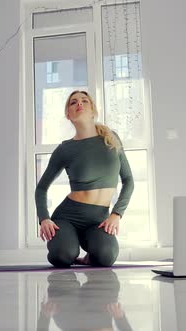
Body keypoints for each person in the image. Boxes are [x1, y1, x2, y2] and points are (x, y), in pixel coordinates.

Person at [35, 90, 134, 267]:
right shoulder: (65, 149)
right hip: (68, 217)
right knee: (62, 255)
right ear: (68, 114)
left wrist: (116, 214)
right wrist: (44, 218)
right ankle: (68, 244)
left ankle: (88, 255)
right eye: (73, 102)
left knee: (106, 257)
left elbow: (128, 180)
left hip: (98, 220)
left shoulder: (111, 138)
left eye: (84, 101)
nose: (79, 103)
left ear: (93, 110)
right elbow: (41, 188)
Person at [37, 270, 133, 331]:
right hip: (101, 315)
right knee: (108, 279)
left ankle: (66, 257)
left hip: (70, 319)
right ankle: (92, 259)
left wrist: (45, 316)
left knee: (62, 275)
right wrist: (120, 318)